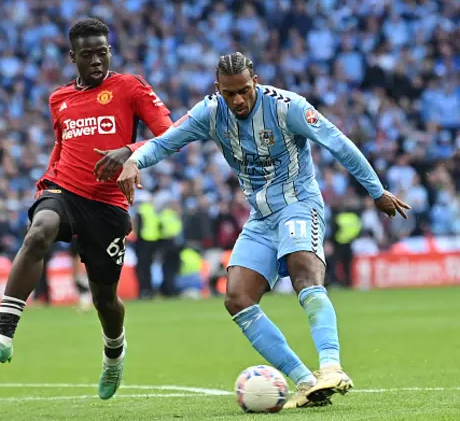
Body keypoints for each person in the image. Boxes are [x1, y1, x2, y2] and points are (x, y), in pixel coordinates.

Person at [117, 52, 410, 409]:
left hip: (298, 204)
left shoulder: (288, 108)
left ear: (255, 81)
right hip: (260, 217)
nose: (238, 100)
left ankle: (331, 366)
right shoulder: (210, 112)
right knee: (237, 298)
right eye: (229, 93)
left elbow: (339, 144)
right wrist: (134, 160)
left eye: (244, 90)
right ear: (217, 89)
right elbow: (166, 142)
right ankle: (307, 382)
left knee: (304, 270)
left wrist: (376, 191)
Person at [0, 18, 173, 401]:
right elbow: (62, 146)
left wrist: (131, 154)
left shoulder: (130, 87)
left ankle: (114, 355)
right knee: (38, 232)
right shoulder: (58, 99)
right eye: (87, 54)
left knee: (104, 300)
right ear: (72, 57)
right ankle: (2, 337)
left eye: (102, 52)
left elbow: (170, 132)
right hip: (64, 190)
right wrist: (47, 181)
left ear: (109, 52)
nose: (96, 60)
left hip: (107, 205)